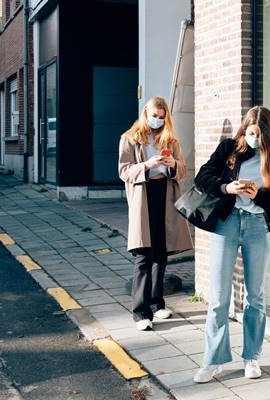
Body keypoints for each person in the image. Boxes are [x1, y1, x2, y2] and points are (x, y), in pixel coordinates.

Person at [193, 106, 270, 383]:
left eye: (259, 134)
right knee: (219, 296)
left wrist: (258, 195)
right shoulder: (229, 150)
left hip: (257, 225)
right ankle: (213, 360)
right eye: (250, 133)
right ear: (243, 129)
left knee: (255, 296)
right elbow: (203, 177)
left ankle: (252, 357)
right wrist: (228, 188)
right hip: (228, 222)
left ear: (267, 135)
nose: (253, 138)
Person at [118, 96, 192, 331]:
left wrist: (172, 164)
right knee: (143, 255)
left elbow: (182, 170)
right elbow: (124, 171)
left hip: (165, 195)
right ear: (145, 113)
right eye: (154, 116)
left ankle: (157, 302)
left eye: (162, 117)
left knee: (161, 253)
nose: (157, 121)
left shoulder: (170, 140)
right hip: (144, 196)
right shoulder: (130, 138)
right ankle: (140, 312)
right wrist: (148, 165)